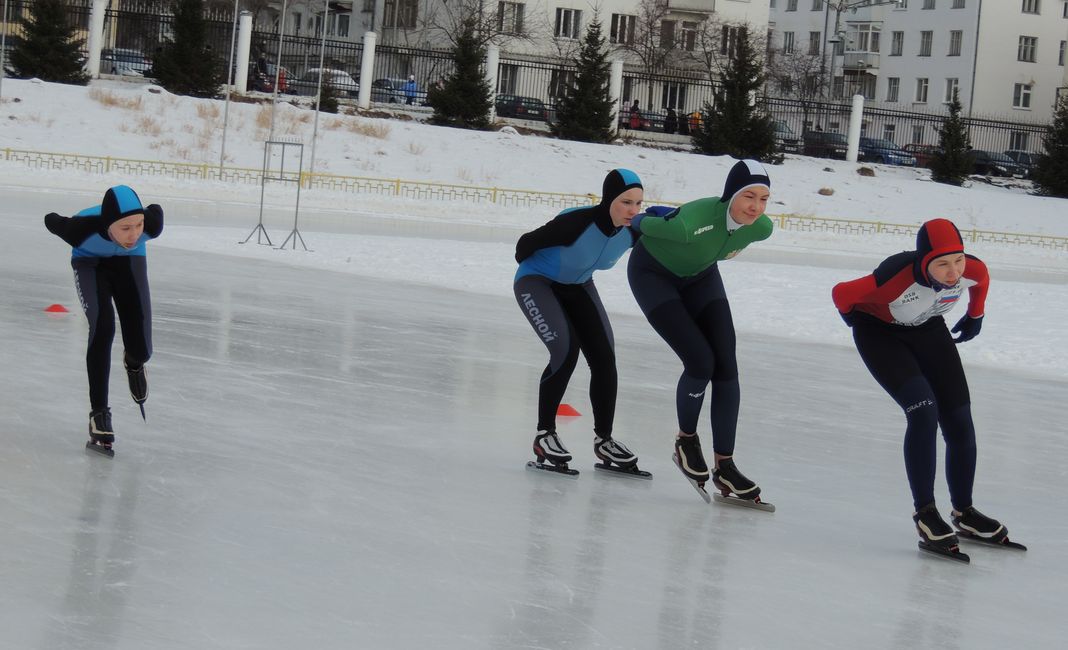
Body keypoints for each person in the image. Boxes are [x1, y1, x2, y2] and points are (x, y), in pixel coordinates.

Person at [832, 218, 1016, 554]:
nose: (953, 272)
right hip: (879, 333)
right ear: (923, 261)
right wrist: (851, 316)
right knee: (924, 412)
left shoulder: (971, 268)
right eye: (942, 264)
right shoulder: (894, 277)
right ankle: (926, 512)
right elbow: (841, 293)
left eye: (958, 260)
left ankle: (965, 512)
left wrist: (976, 314)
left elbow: (982, 278)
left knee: (960, 418)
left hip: (928, 329)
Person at [627, 159, 773, 502]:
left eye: (764, 199)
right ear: (730, 195)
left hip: (701, 277)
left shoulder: (760, 228)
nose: (755, 207)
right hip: (654, 275)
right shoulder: (691, 222)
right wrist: (649, 216)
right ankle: (686, 441)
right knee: (699, 360)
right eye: (748, 196)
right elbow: (641, 222)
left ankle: (726, 465)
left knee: (726, 363)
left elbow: (724, 244)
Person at [515, 169, 645, 473]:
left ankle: (605, 440)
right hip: (537, 281)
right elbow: (524, 245)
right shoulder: (576, 222)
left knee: (604, 357)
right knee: (565, 350)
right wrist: (543, 267)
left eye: (639, 203)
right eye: (626, 202)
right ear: (610, 199)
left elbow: (672, 221)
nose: (633, 210)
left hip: (580, 286)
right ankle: (544, 434)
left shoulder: (634, 230)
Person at [44, 186, 164, 455]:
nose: (134, 234)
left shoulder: (151, 226)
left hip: (129, 264)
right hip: (90, 265)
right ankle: (99, 413)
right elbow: (51, 219)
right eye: (125, 228)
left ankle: (134, 365)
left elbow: (155, 210)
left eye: (138, 226)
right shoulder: (80, 230)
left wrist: (141, 223)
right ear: (109, 224)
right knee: (103, 327)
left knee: (142, 349)